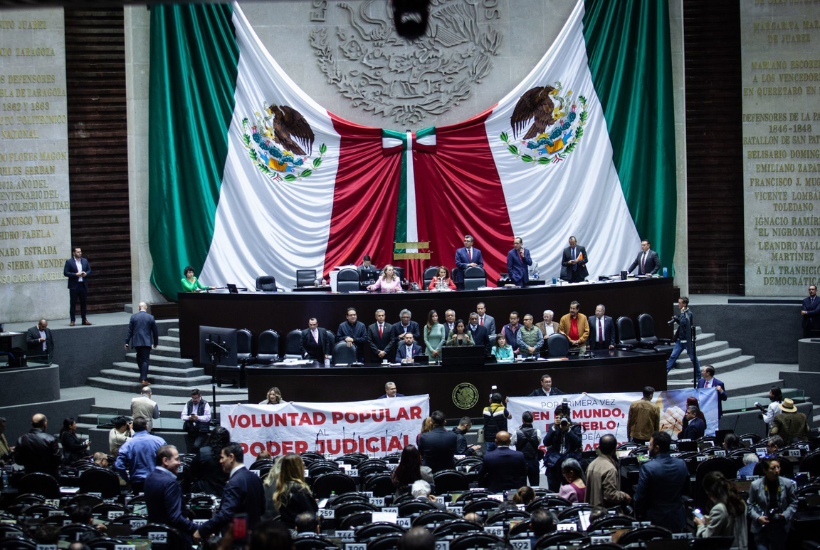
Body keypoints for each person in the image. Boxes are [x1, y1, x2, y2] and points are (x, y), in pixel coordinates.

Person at [194, 443, 265, 541]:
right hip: (255, 538)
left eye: (222, 457)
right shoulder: (255, 478)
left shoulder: (234, 482)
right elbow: (262, 509)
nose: (220, 461)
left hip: (238, 539)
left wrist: (202, 530)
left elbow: (226, 514)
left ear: (231, 457)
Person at [633, 431, 690, 532]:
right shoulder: (682, 464)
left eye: (650, 444)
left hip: (655, 519)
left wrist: (637, 516)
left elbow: (639, 498)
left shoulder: (648, 467)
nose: (648, 447)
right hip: (677, 517)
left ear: (657, 448)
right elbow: (687, 490)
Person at [145, 445, 197, 542]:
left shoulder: (150, 477)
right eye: (176, 459)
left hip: (155, 535)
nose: (179, 463)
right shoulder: (170, 483)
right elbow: (175, 517)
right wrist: (197, 528)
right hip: (173, 538)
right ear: (165, 461)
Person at [747, 458, 798, 550]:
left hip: (780, 526)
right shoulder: (755, 485)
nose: (777, 471)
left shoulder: (787, 484)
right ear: (765, 470)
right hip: (761, 526)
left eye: (778, 467)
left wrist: (785, 515)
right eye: (773, 468)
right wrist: (758, 518)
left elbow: (793, 503)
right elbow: (750, 505)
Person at [694, 471, 748, 547]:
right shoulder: (741, 502)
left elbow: (707, 538)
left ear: (709, 492)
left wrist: (701, 525)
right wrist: (711, 521)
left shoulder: (719, 509)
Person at [114, 417, 167, 492]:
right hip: (157, 481)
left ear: (133, 428)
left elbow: (119, 465)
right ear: (146, 427)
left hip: (138, 483)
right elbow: (167, 460)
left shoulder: (127, 445)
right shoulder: (160, 441)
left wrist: (127, 480)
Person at [270, 453, 318, 527]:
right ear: (297, 468)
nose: (304, 467)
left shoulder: (282, 487)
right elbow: (310, 516)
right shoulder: (300, 490)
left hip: (286, 530)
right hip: (300, 531)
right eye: (302, 465)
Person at [585, 434, 631, 508]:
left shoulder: (591, 464)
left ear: (599, 448)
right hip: (603, 512)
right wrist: (624, 496)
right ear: (614, 449)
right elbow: (610, 495)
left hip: (591, 510)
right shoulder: (610, 469)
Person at [543, 404, 581, 491]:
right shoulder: (552, 426)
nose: (562, 419)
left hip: (570, 463)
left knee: (571, 491)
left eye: (564, 417)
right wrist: (554, 428)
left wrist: (568, 430)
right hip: (554, 464)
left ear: (569, 416)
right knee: (552, 490)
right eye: (559, 417)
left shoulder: (575, 426)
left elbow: (578, 444)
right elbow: (546, 442)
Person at [666, 296, 702, 379]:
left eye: (680, 303)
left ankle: (698, 377)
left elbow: (684, 322)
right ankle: (665, 373)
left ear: (684, 304)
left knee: (693, 359)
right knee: (673, 356)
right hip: (680, 340)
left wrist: (680, 315)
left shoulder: (689, 313)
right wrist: (676, 319)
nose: (678, 304)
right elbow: (682, 324)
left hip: (687, 341)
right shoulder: (682, 312)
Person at [124, 301, 159, 386]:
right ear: (146, 308)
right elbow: (155, 331)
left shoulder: (133, 317)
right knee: (145, 360)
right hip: (146, 342)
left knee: (139, 358)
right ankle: (143, 378)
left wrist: (126, 342)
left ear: (139, 308)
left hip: (136, 342)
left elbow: (130, 331)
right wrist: (155, 342)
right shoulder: (150, 317)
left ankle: (142, 375)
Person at [192, 427, 231, 497]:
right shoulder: (230, 454)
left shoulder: (203, 452)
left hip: (204, 492)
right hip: (224, 492)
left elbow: (193, 472)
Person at [511, 411, 542, 486]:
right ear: (533, 419)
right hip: (533, 461)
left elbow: (511, 443)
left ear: (522, 420)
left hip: (521, 461)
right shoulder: (537, 432)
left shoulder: (517, 432)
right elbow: (539, 442)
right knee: (535, 485)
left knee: (521, 486)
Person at [64, 246, 91, 326]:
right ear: (74, 253)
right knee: (73, 303)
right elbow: (66, 272)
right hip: (74, 285)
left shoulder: (85, 261)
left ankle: (84, 319)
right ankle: (72, 320)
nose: (80, 253)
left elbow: (89, 270)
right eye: (78, 252)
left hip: (83, 284)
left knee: (84, 303)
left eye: (80, 252)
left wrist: (86, 274)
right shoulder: (69, 262)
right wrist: (76, 274)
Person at [181, 388, 211, 453]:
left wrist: (197, 418)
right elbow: (183, 416)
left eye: (196, 398)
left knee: (196, 446)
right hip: (191, 430)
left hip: (201, 430)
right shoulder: (188, 403)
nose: (194, 400)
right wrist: (189, 418)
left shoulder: (205, 404)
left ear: (200, 396)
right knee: (190, 448)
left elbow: (208, 417)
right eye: (193, 398)